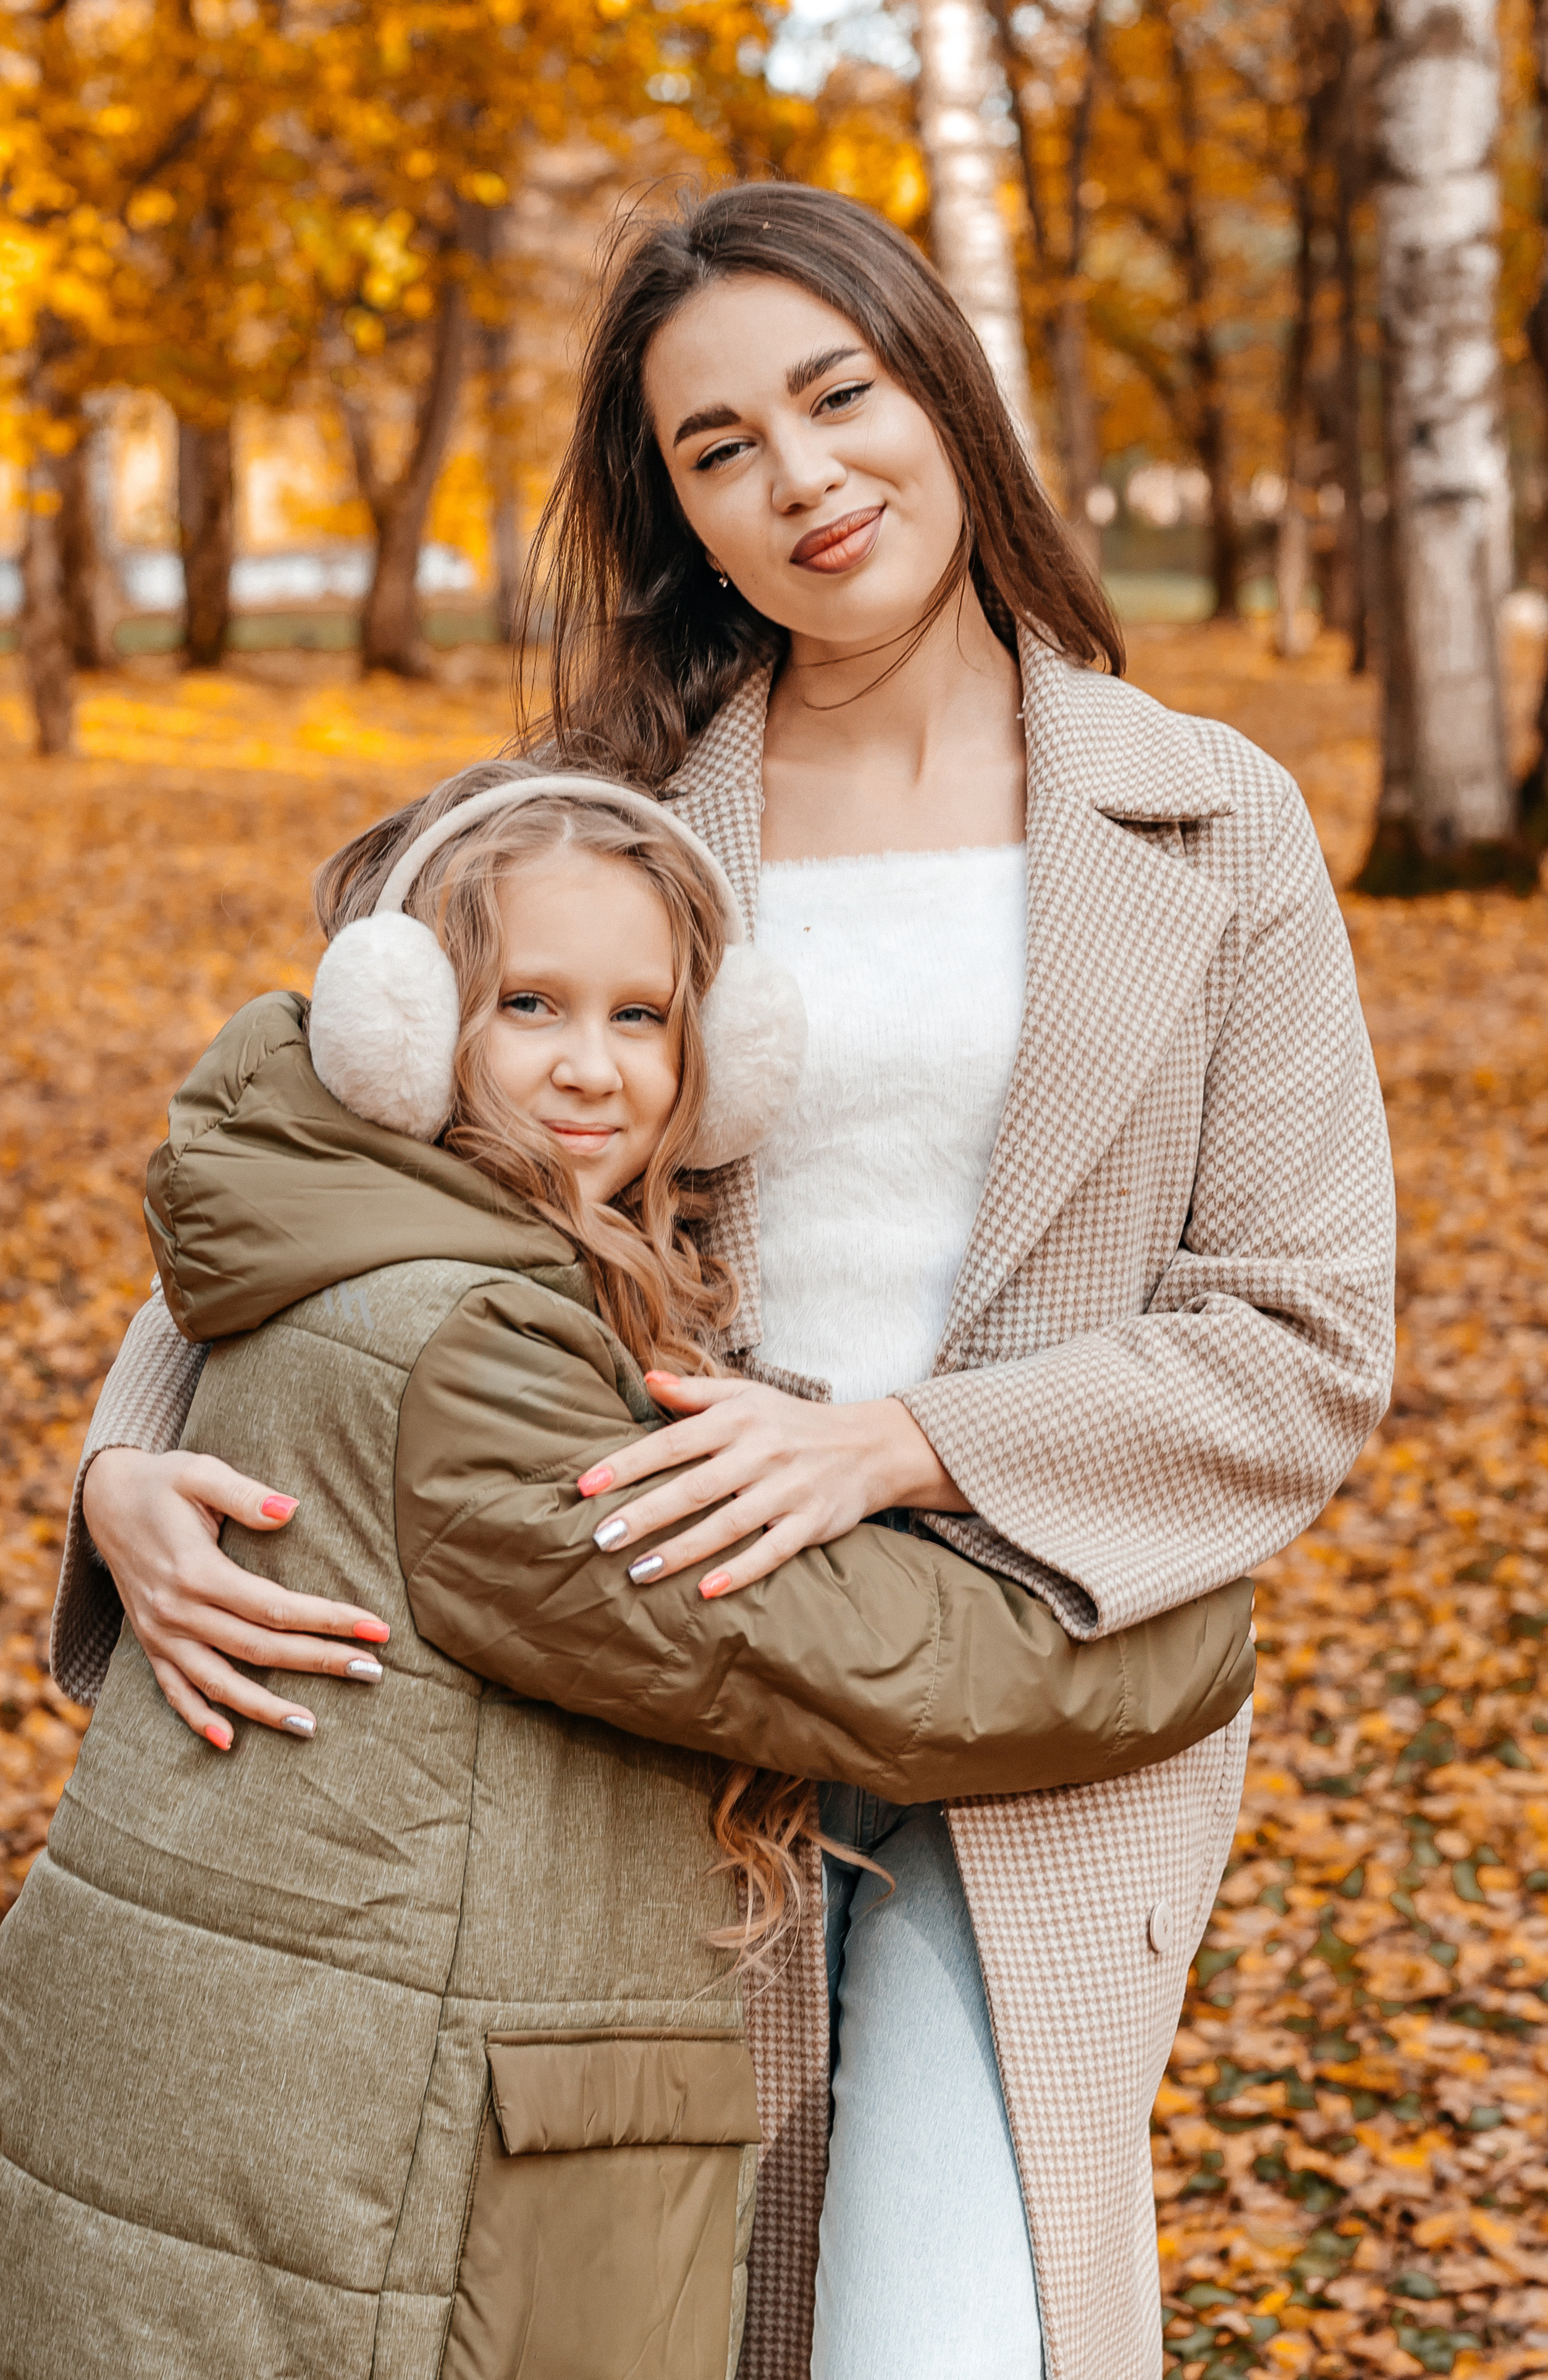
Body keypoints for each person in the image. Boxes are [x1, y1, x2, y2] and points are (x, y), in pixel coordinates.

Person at [48, 183, 1395, 2379]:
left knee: (944, 2335)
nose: (805, 480)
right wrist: (128, 1460)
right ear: (677, 509)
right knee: (683, 2323)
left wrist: (896, 1444)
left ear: (940, 390)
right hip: (632, 1684)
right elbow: (328, 1156)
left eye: (837, 396)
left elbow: (1309, 1327)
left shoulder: (1206, 821)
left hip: (1029, 1677)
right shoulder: (599, 809)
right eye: (718, 448)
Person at [0, 773, 1255, 2379]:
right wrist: (1184, 1608)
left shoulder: (349, 1237)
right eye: (528, 1005)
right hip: (352, 2157)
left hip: (270, 2094)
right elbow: (844, 1656)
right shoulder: (467, 1350)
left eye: (643, 1019)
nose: (592, 1069)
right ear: (398, 1023)